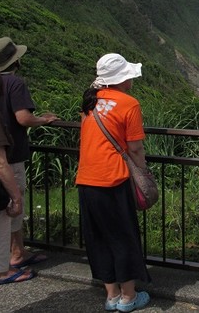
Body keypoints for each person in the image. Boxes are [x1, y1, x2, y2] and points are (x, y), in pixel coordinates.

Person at [76, 53, 150, 312]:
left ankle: (112, 296)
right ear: (121, 79)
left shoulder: (89, 101)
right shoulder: (129, 104)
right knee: (122, 236)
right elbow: (136, 148)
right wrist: (142, 174)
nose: (131, 78)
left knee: (99, 238)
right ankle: (129, 298)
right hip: (113, 179)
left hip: (86, 178)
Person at [0, 37, 57, 283]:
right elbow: (22, 117)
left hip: (4, 156)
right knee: (12, 207)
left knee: (7, 210)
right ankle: (11, 260)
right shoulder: (15, 83)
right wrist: (43, 119)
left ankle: (19, 251)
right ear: (16, 60)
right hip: (9, 157)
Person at [0, 73, 27, 297]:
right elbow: (0, 162)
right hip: (12, 161)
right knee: (8, 215)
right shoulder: (15, 83)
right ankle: (11, 260)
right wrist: (15, 198)